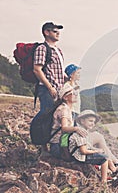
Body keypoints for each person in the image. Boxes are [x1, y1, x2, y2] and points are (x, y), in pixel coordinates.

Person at [33, 22, 66, 155]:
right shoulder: (42, 48)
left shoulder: (58, 50)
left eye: (58, 31)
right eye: (54, 31)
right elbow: (37, 69)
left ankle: (57, 148)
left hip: (59, 89)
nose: (58, 33)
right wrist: (50, 87)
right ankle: (43, 147)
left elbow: (59, 72)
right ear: (46, 32)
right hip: (47, 89)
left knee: (57, 118)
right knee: (46, 117)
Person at [69, 110, 114, 184]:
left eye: (94, 122)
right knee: (104, 159)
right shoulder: (81, 133)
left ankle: (111, 169)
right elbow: (83, 151)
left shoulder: (83, 131)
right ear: (82, 121)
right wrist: (96, 151)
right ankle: (104, 181)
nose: (93, 124)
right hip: (79, 157)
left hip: (78, 154)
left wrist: (96, 150)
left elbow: (86, 146)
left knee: (102, 153)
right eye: (90, 121)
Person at [49, 84, 87, 158]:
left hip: (61, 144)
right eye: (73, 93)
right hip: (58, 147)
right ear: (65, 97)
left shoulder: (67, 108)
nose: (76, 95)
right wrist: (76, 129)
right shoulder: (64, 110)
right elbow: (64, 128)